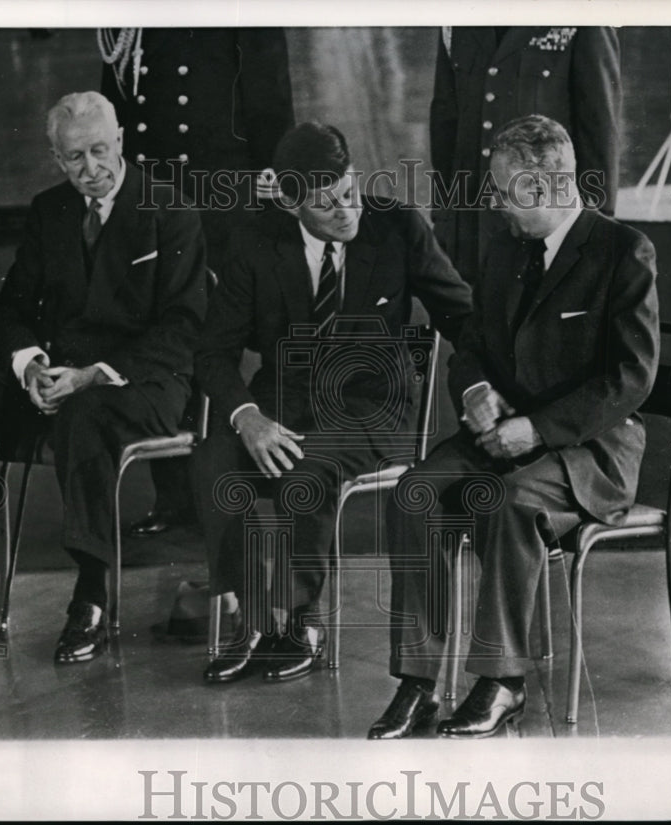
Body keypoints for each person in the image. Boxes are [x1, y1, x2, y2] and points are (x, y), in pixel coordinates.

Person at [368, 114, 659, 739]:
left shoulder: (622, 251)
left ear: (544, 188)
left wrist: (538, 430)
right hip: (501, 440)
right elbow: (471, 344)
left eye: (504, 192)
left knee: (507, 500)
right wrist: (473, 389)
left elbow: (630, 379)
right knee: (413, 493)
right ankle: (419, 683)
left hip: (589, 452)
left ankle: (502, 680)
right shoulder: (505, 251)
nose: (495, 205)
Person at [0, 91, 209, 665]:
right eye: (73, 158)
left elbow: (186, 326)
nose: (89, 169)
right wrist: (31, 365)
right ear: (54, 158)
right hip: (56, 375)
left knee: (85, 416)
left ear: (120, 141)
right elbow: (8, 307)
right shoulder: (51, 211)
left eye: (98, 151)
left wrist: (93, 375)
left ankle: (90, 595)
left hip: (142, 382)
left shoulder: (171, 210)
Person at [194, 122, 474, 684]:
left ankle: (301, 622)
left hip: (374, 409)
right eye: (326, 206)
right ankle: (250, 620)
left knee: (308, 466)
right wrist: (247, 416)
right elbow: (213, 353)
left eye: (349, 191)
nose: (348, 212)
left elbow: (463, 316)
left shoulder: (399, 228)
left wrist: (485, 382)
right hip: (284, 404)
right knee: (215, 459)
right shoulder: (254, 243)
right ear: (292, 202)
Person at [99, 27, 295, 537]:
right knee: (158, 339)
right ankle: (177, 499)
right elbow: (115, 109)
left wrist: (277, 200)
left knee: (213, 345)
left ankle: (227, 494)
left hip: (218, 208)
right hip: (150, 207)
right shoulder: (130, 21)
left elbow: (270, 103)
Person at [430, 26, 621, 284]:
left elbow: (599, 126)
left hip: (544, 221)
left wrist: (596, 226)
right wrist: (444, 216)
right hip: (470, 225)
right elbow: (445, 123)